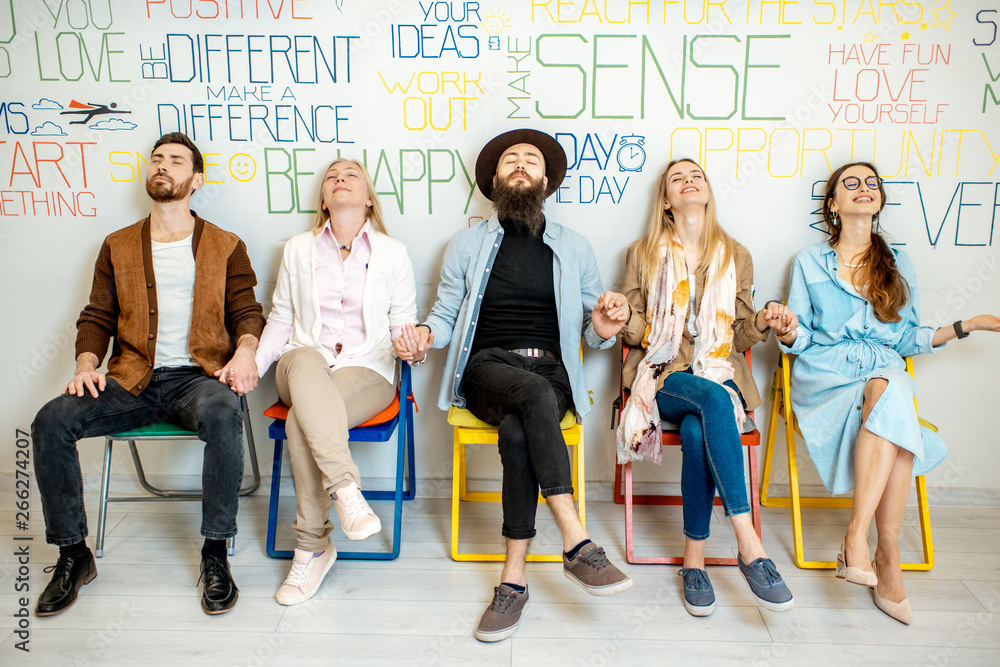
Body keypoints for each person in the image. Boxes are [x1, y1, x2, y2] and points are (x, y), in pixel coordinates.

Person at [397, 128, 633, 642]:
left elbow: (593, 332)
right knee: (531, 399)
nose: (521, 165)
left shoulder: (574, 246)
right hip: (488, 368)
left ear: (547, 180)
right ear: (495, 179)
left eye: (531, 160)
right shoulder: (466, 243)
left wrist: (607, 325)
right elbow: (442, 314)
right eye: (511, 160)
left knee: (521, 430)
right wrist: (421, 334)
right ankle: (575, 538)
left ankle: (513, 580)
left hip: (552, 369)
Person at [31, 132, 265, 616]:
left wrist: (245, 352)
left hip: (200, 380)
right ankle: (74, 554)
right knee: (50, 420)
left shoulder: (226, 245)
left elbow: (247, 312)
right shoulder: (117, 245)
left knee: (224, 415)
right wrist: (85, 365)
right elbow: (96, 316)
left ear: (196, 180)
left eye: (176, 161)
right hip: (130, 379)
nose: (162, 166)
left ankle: (215, 552)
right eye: (157, 159)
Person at [778, 161, 1000, 624]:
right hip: (827, 378)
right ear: (833, 205)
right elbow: (801, 341)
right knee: (894, 395)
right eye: (851, 183)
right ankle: (883, 551)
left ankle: (862, 541)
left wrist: (967, 326)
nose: (864, 188)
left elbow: (907, 339)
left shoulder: (897, 264)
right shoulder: (807, 262)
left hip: (881, 375)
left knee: (890, 386)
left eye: (871, 183)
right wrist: (784, 329)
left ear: (879, 201)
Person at [616, 159, 796, 617]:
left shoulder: (736, 255)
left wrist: (760, 322)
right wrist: (620, 313)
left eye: (696, 176)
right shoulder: (640, 253)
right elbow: (637, 335)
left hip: (717, 371)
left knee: (700, 430)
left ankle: (693, 560)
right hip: (664, 375)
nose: (689, 181)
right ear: (666, 202)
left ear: (708, 193)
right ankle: (749, 541)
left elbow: (735, 336)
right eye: (677, 178)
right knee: (712, 399)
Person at [255, 159, 420, 606]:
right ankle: (347, 490)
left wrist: (413, 348)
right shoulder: (297, 248)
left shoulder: (393, 253)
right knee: (306, 360)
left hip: (368, 369)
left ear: (368, 197)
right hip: (302, 362)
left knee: (300, 424)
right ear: (324, 199)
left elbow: (403, 327)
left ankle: (312, 547)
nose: (340, 178)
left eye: (351, 174)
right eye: (331, 176)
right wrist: (254, 363)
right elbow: (281, 319)